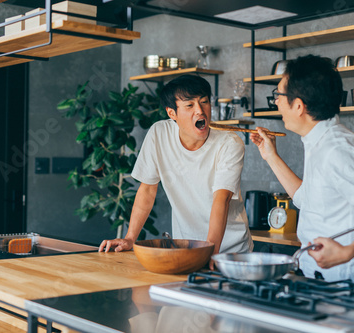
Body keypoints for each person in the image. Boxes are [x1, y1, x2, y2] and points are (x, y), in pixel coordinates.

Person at [250, 55, 354, 289]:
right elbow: (306, 199)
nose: (275, 102)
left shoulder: (337, 149)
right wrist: (270, 156)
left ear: (298, 106)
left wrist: (347, 252)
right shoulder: (318, 141)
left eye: (278, 96)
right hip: (317, 278)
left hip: (343, 286)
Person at [99, 75, 253, 265]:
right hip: (185, 248)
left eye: (204, 102)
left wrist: (210, 252)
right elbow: (147, 189)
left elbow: (222, 199)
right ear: (172, 113)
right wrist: (130, 238)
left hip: (229, 251)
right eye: (189, 106)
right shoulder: (159, 133)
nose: (200, 110)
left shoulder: (230, 143)